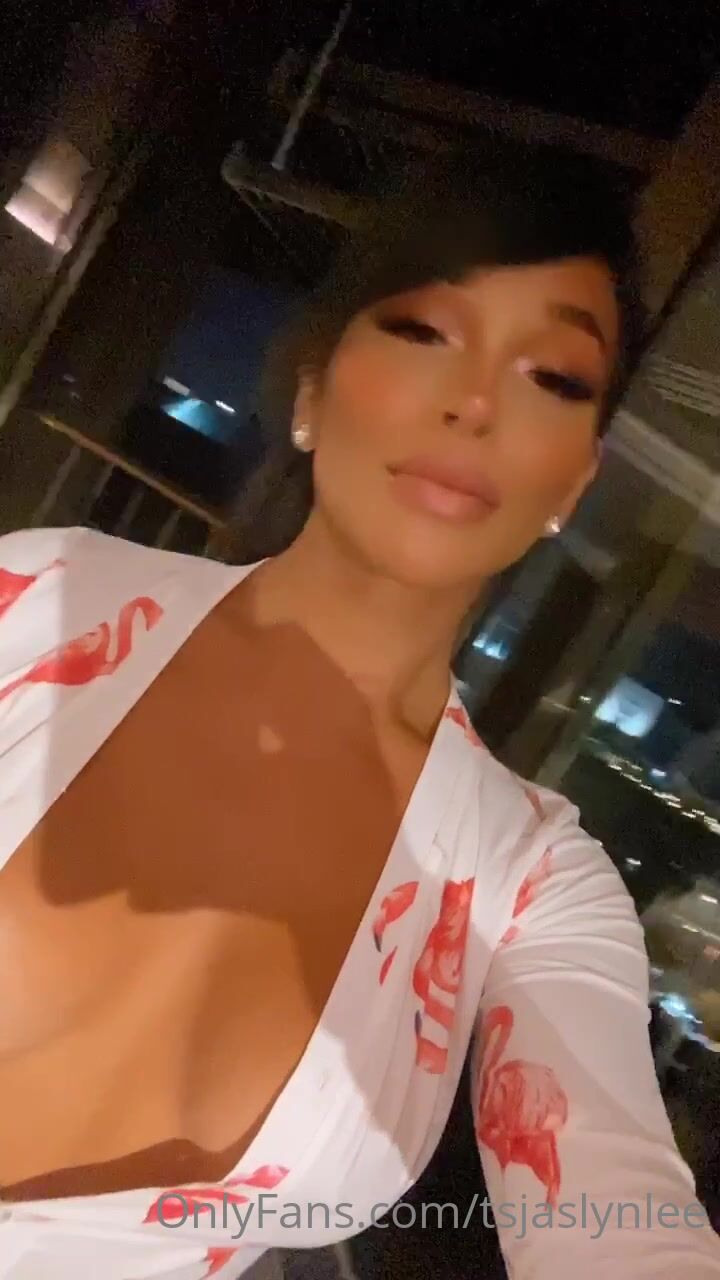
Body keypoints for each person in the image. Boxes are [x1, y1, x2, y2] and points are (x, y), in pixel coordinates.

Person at [0, 154, 718, 1280]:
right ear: (311, 390)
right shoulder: (40, 601)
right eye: (426, 330)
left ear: (574, 483)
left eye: (553, 376)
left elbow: (616, 1215)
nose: (475, 401)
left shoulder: (530, 885)